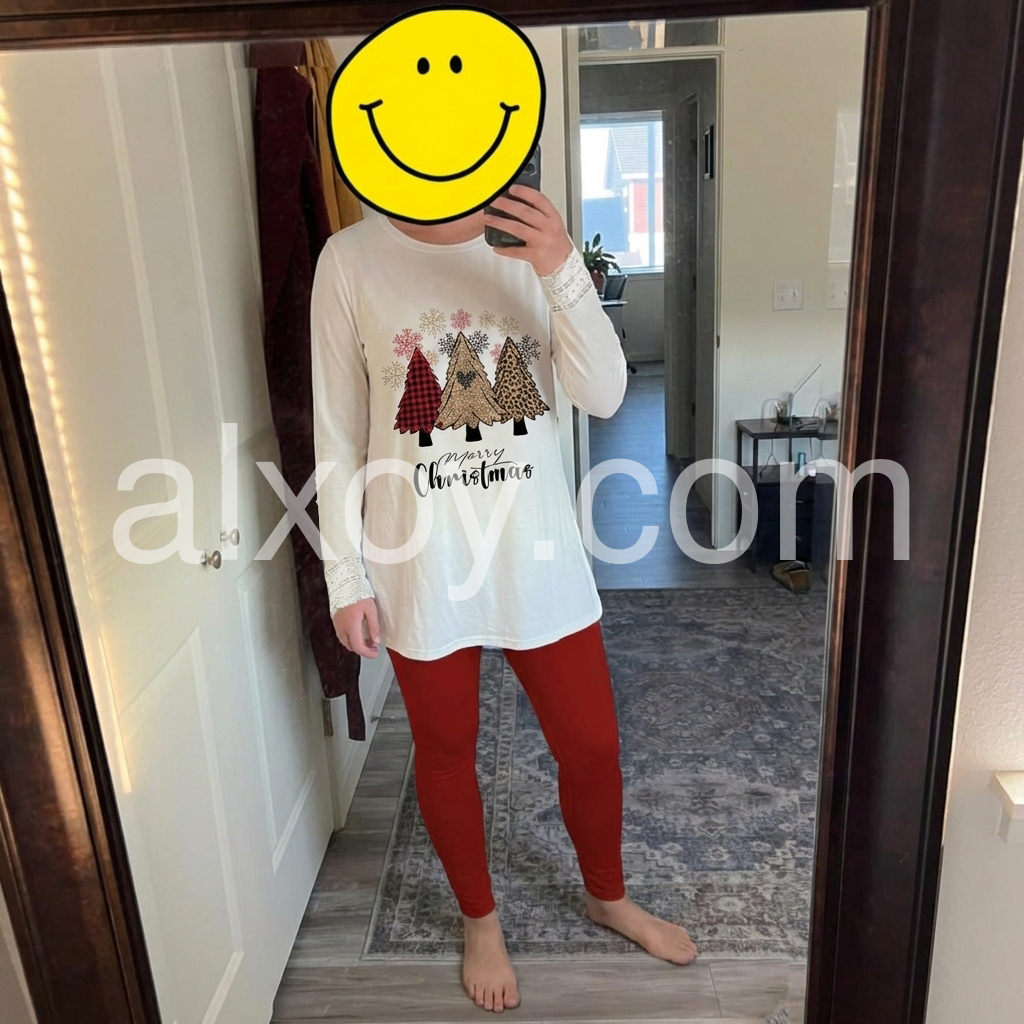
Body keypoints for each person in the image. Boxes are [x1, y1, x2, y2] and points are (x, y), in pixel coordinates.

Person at [311, 186, 698, 1013]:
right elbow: (338, 432)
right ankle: (479, 920)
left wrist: (561, 268)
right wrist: (345, 576)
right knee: (446, 749)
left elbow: (604, 395)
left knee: (591, 746)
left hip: (537, 554)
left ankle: (607, 895)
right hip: (419, 560)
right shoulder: (349, 259)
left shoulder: (532, 242)